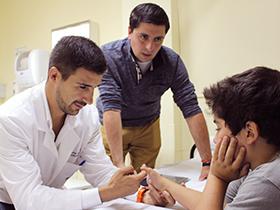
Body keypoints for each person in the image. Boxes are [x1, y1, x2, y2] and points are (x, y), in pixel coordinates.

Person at [0, 36, 172, 210]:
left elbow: (101, 172)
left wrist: (143, 195)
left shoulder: (86, 117)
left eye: (93, 88)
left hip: (52, 199)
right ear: (54, 75)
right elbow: (29, 200)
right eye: (83, 87)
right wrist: (105, 193)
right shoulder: (11, 120)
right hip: (9, 202)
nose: (89, 100)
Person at [96, 2, 211, 179]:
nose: (150, 47)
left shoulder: (172, 62)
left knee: (144, 181)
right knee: (111, 180)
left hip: (148, 126)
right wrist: (119, 164)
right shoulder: (108, 57)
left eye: (158, 39)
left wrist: (207, 162)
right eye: (143, 37)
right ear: (129, 31)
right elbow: (111, 107)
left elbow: (191, 108)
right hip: (113, 124)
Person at [141, 66, 280, 210]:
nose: (215, 139)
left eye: (219, 128)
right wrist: (163, 183)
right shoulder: (258, 166)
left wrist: (217, 176)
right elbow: (216, 204)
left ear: (250, 132)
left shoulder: (266, 181)